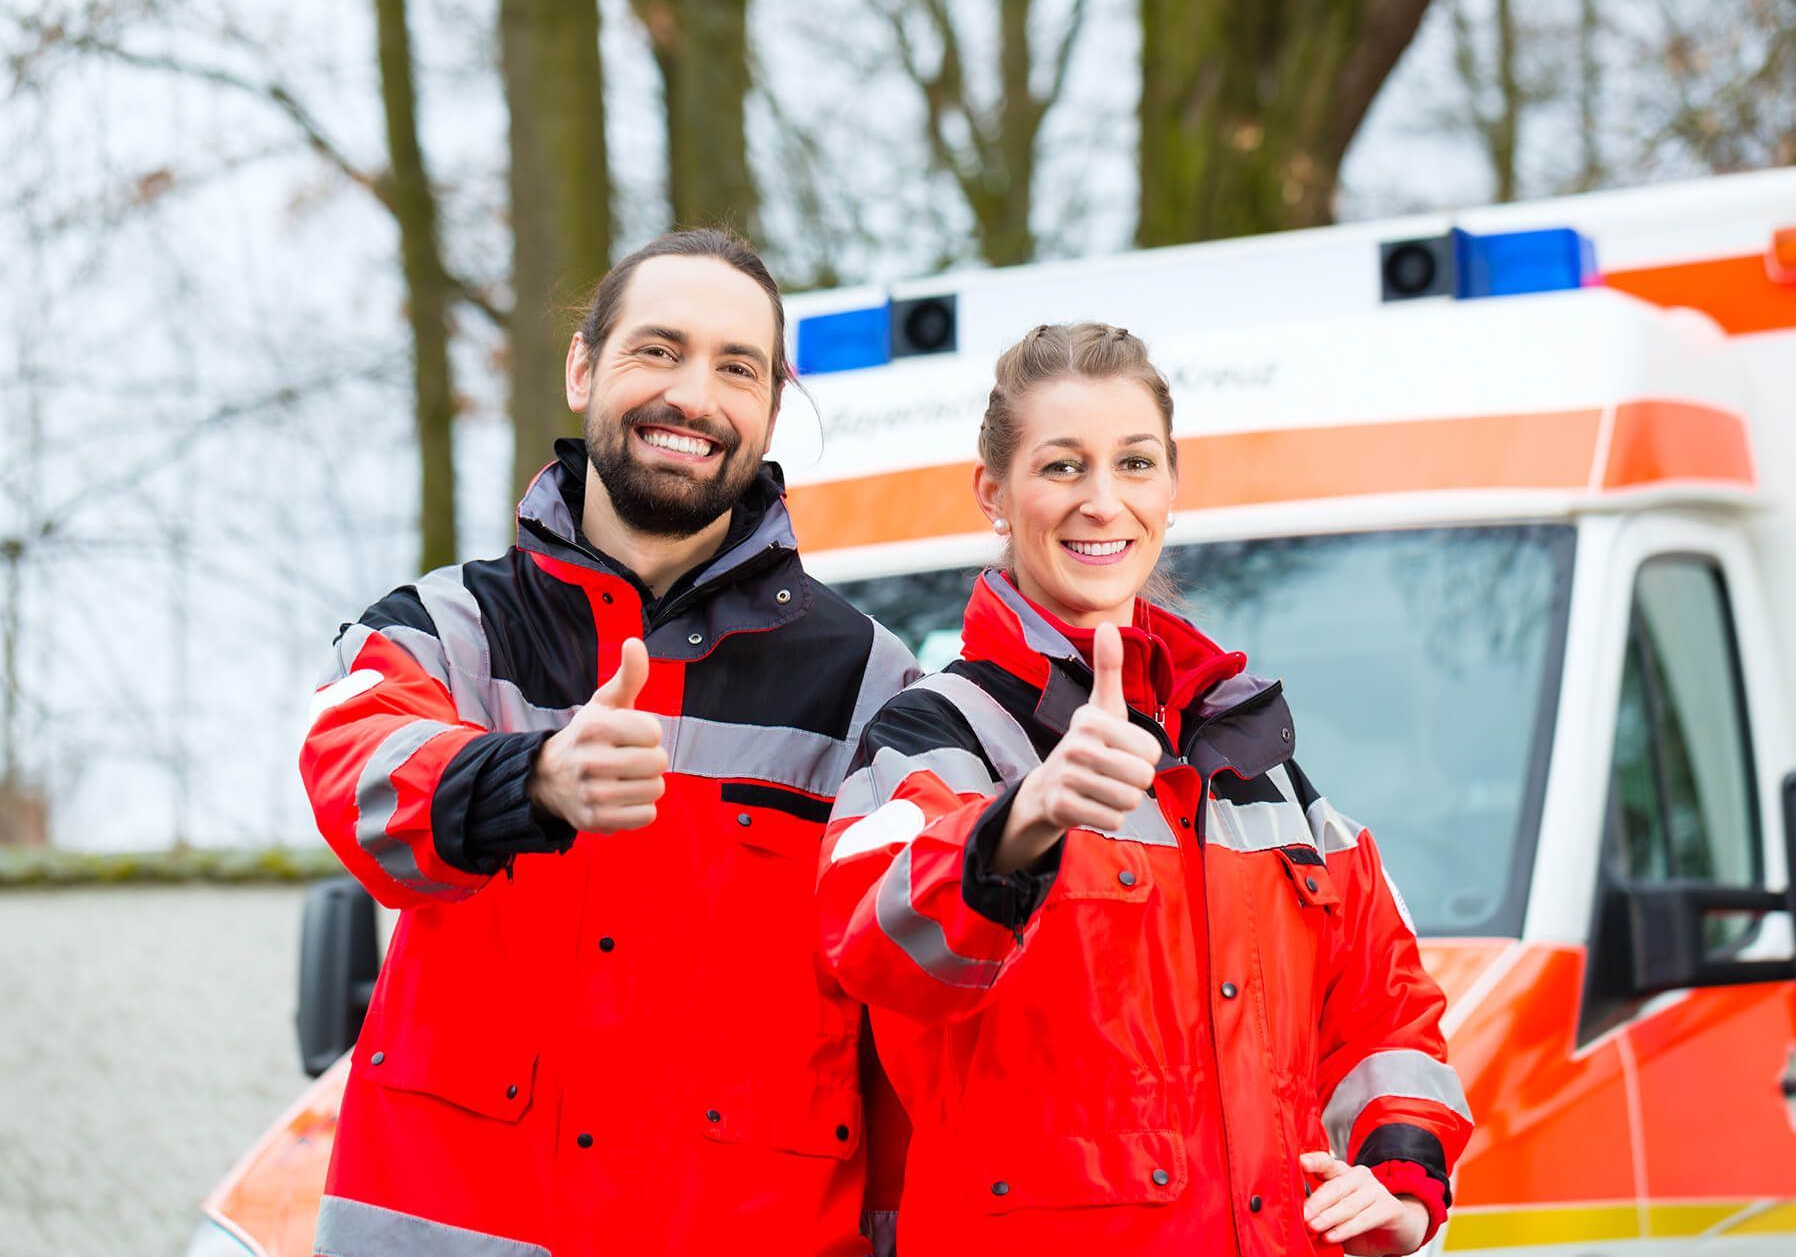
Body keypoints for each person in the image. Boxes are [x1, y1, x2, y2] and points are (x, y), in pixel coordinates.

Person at [301, 229, 920, 1256]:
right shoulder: (444, 629)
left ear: (771, 410)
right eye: (658, 350)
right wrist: (532, 777)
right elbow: (353, 773)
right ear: (583, 367)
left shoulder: (873, 686)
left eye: (737, 368)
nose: (693, 395)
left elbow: (911, 1023)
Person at [817, 323, 1472, 1256]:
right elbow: (875, 949)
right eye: (1061, 467)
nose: (1102, 500)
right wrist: (1022, 821)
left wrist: (1400, 1185)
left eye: (1133, 462)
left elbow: (1385, 1006)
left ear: (1171, 484)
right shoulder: (937, 732)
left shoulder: (1248, 753)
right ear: (992, 492)